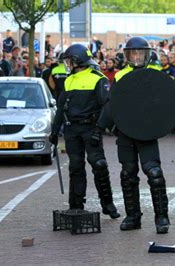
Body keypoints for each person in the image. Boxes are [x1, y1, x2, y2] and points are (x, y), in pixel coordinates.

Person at [49, 44, 120, 219]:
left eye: (68, 60)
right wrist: (54, 130)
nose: (67, 64)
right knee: (75, 167)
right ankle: (76, 205)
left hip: (90, 129)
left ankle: (108, 204)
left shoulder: (98, 78)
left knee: (99, 165)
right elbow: (60, 108)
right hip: (72, 130)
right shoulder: (68, 79)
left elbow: (107, 106)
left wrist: (99, 129)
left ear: (77, 60)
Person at [112, 36, 171, 234]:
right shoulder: (120, 76)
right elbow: (113, 103)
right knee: (128, 174)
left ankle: (161, 217)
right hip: (125, 132)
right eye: (133, 53)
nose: (136, 57)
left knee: (154, 173)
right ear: (127, 56)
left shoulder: (156, 74)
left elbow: (167, 100)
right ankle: (132, 216)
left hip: (147, 132)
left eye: (140, 53)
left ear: (146, 55)